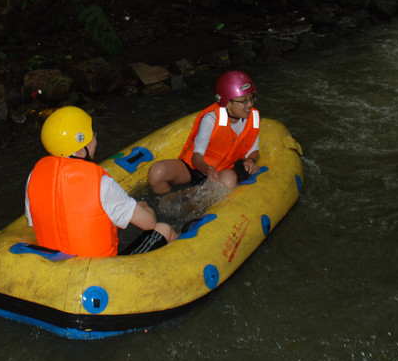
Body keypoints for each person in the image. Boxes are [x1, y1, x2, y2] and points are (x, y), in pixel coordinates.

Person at [25, 106, 177, 257]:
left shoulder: (34, 176)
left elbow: (32, 223)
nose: (96, 139)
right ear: (79, 151)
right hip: (98, 272)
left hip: (57, 266)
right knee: (164, 229)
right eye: (93, 135)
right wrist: (145, 207)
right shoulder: (101, 184)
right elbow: (149, 223)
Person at [147, 70, 261, 195]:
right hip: (195, 168)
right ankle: (164, 199)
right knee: (156, 172)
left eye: (251, 98)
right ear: (227, 103)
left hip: (222, 172)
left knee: (229, 180)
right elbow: (196, 158)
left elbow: (253, 151)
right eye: (244, 101)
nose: (250, 104)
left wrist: (251, 161)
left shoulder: (253, 118)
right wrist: (207, 169)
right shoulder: (210, 119)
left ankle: (193, 196)